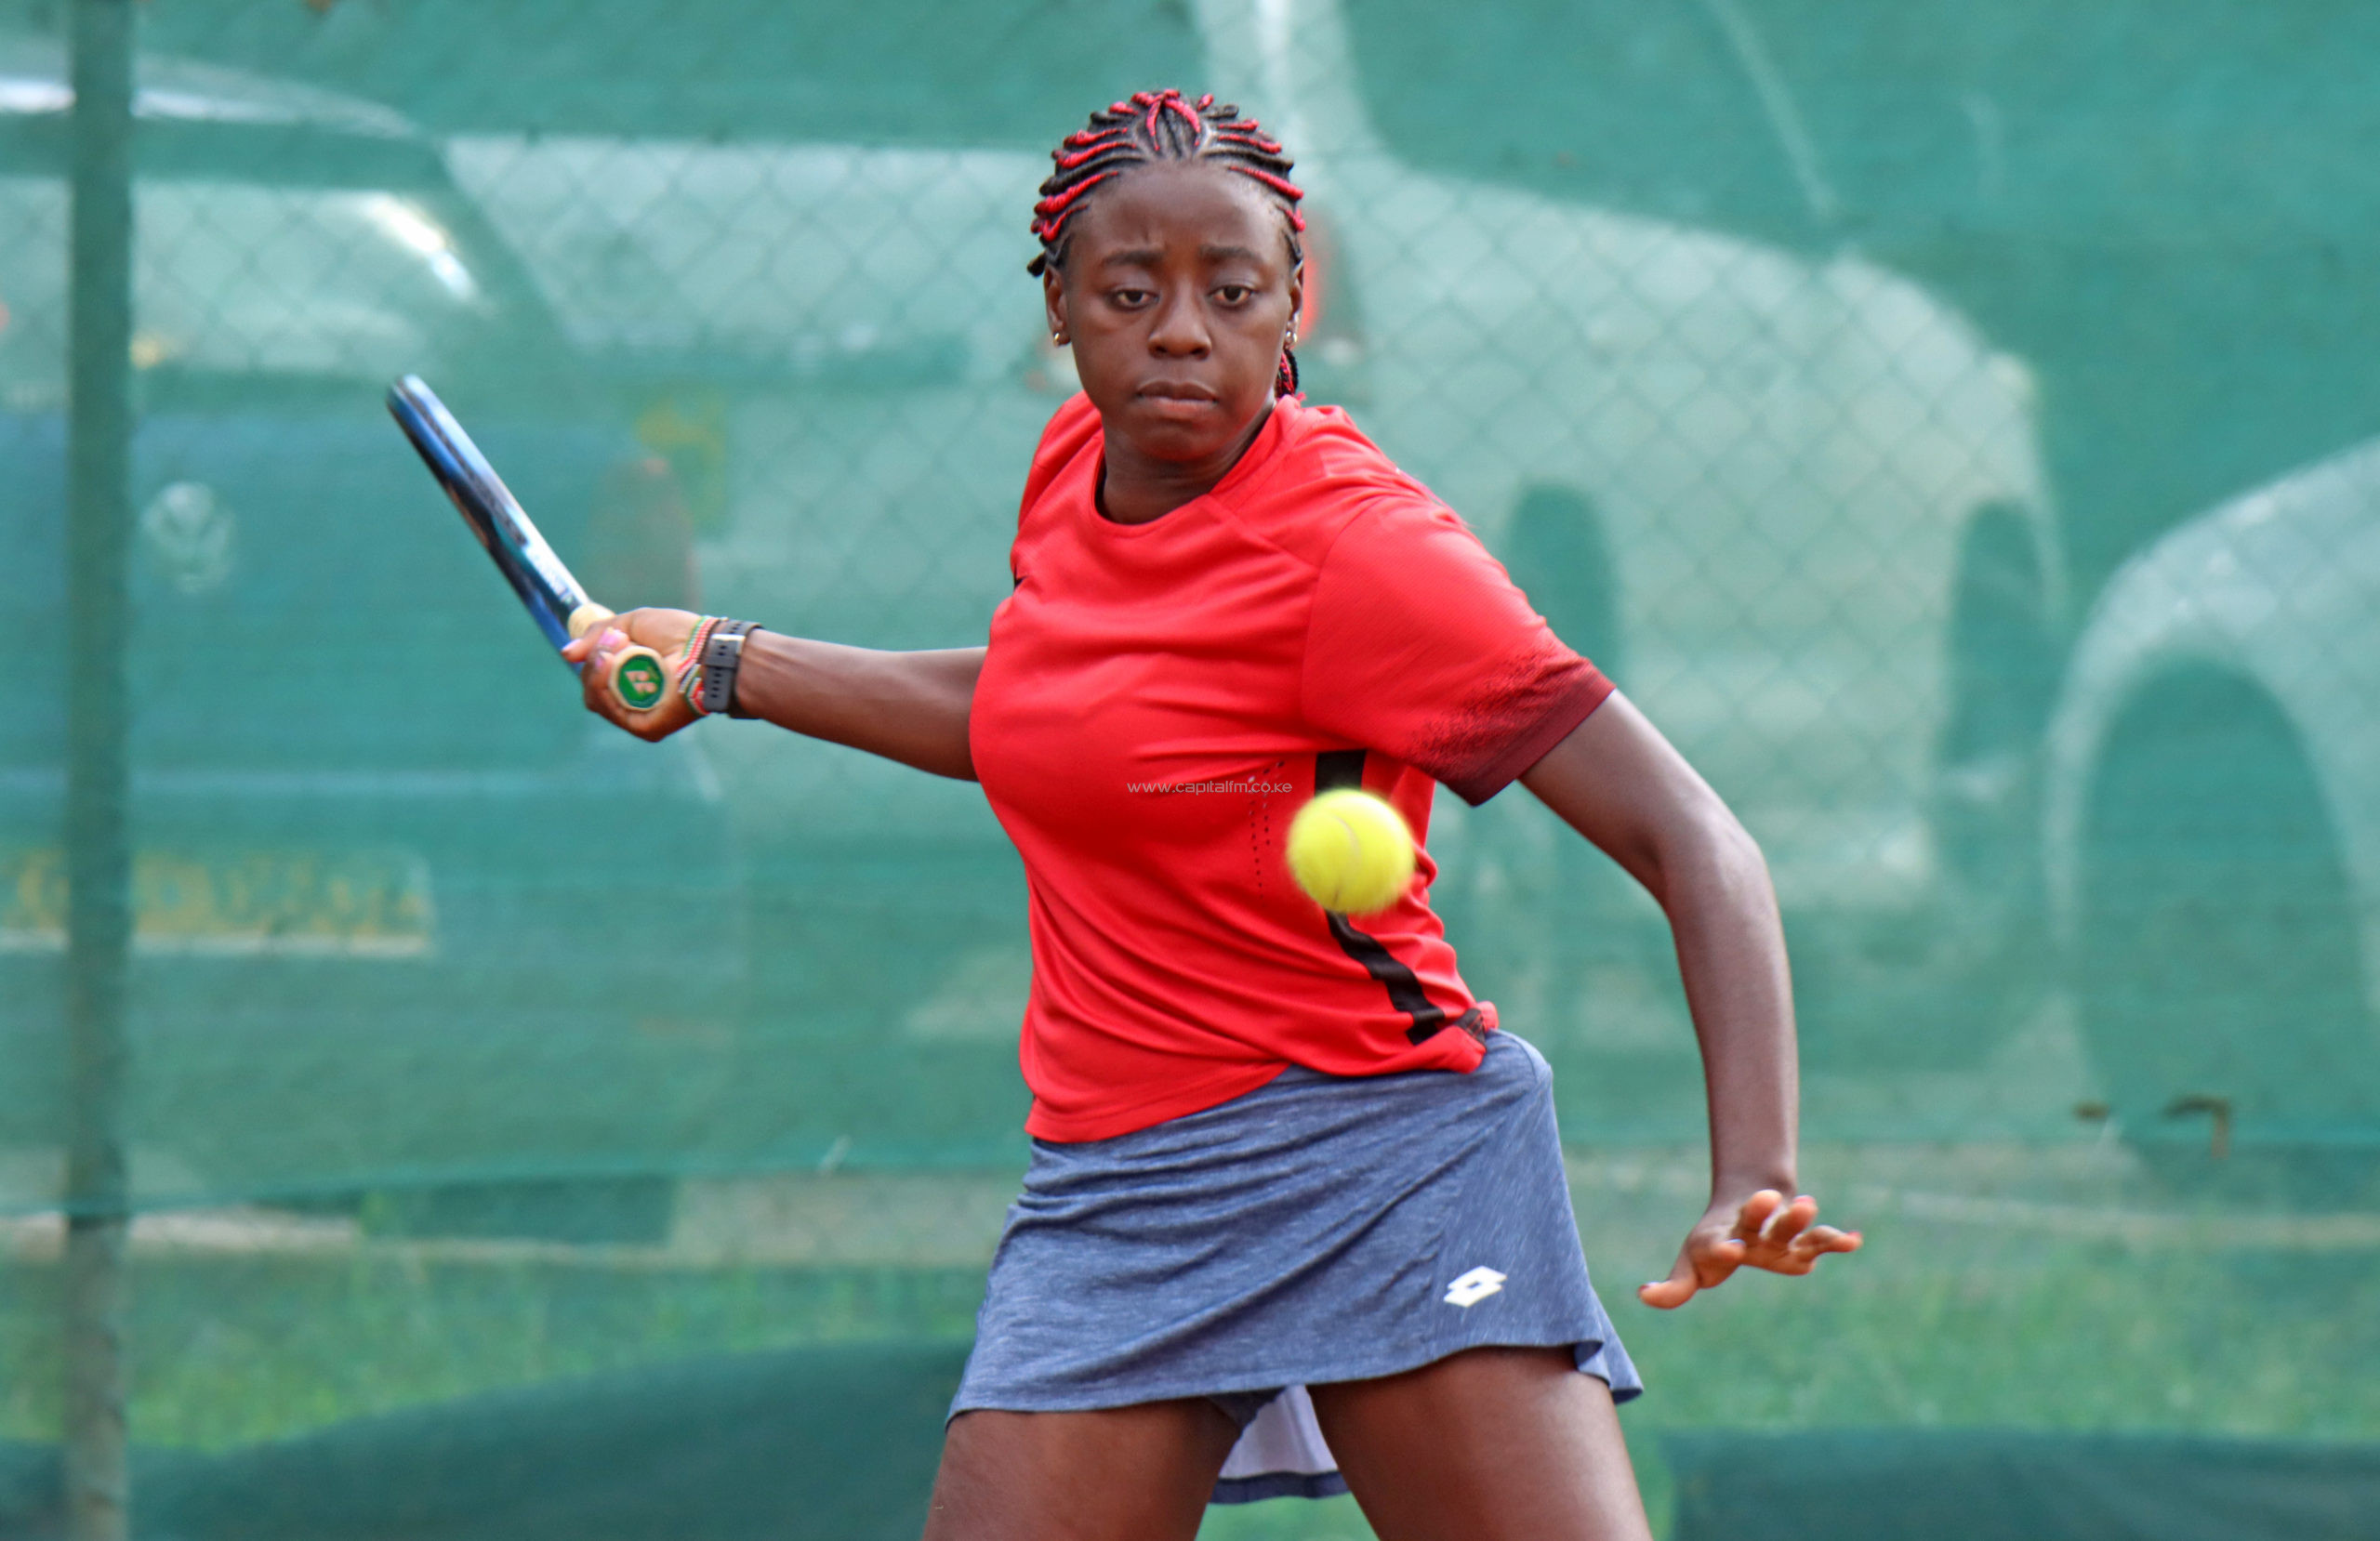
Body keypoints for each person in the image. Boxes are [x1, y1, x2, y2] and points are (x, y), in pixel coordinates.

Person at [564, 88, 1858, 1541]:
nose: (1181, 330)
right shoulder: (1071, 470)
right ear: (1060, 309)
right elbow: (1048, 712)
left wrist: (1754, 1164)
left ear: (1294, 300)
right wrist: (731, 663)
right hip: (1116, 1187)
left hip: (1379, 1155)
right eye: (1130, 292)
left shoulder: (1369, 558)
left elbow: (1694, 835)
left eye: (1230, 292)